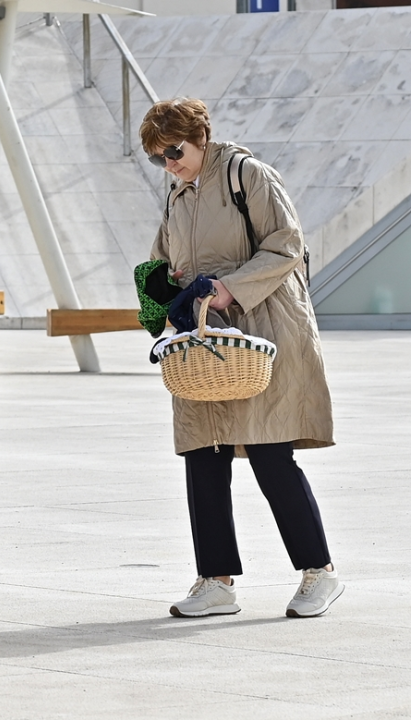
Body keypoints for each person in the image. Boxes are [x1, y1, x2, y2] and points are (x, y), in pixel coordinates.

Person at [138, 97, 344, 619]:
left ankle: (319, 572)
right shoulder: (177, 192)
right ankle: (216, 580)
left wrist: (231, 286)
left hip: (261, 328)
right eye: (158, 158)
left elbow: (287, 245)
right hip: (204, 339)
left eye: (174, 151)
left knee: (271, 451)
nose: (168, 163)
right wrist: (157, 286)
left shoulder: (246, 174)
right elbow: (166, 258)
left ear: (199, 137)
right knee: (202, 456)